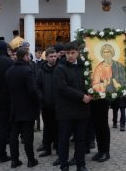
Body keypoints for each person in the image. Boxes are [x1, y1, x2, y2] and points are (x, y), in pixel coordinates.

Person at [54, 42, 92, 171]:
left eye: (73, 53)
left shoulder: (84, 67)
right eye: (68, 53)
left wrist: (93, 91)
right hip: (66, 111)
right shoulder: (60, 68)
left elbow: (90, 83)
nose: (70, 56)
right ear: (65, 54)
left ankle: (81, 165)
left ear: (78, 53)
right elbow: (62, 88)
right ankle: (64, 165)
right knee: (64, 140)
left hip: (82, 111)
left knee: (81, 140)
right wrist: (82, 96)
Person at [6, 47, 39, 168]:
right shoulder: (27, 70)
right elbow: (32, 90)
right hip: (27, 107)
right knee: (28, 135)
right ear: (25, 56)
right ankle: (31, 160)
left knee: (13, 135)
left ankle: (14, 160)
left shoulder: (9, 71)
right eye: (28, 56)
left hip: (14, 108)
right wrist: (37, 101)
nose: (29, 58)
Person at [35, 48, 58, 158]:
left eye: (55, 56)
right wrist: (41, 97)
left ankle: (59, 150)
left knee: (58, 128)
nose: (53, 58)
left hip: (58, 105)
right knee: (47, 127)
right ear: (46, 57)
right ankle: (47, 148)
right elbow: (37, 86)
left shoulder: (60, 69)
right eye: (51, 56)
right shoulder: (41, 70)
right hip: (46, 104)